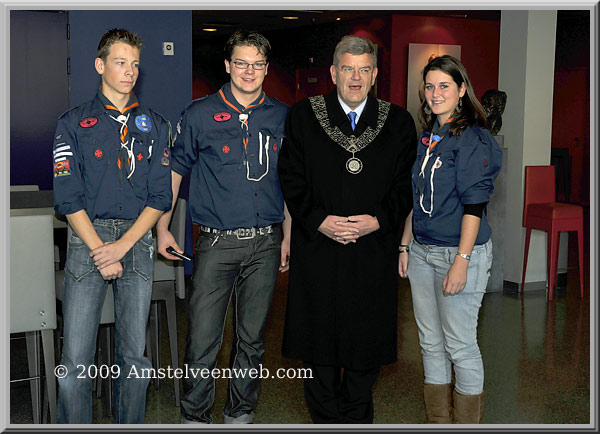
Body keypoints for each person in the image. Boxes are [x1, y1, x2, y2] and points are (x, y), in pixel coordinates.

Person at [277, 35, 417, 424]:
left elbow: (406, 185)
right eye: (348, 69)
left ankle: (357, 419)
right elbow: (289, 177)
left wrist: (377, 220)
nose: (355, 77)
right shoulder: (304, 115)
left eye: (364, 70)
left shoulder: (399, 122)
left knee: (365, 345)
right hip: (317, 248)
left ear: (374, 75)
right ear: (333, 72)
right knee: (318, 345)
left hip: (372, 252)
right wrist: (320, 220)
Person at [156, 29, 290, 424]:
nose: (249, 71)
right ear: (228, 65)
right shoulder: (199, 114)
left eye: (258, 64)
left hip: (266, 242)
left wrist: (288, 237)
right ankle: (195, 417)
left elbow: (290, 182)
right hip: (217, 244)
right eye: (242, 63)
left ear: (266, 69)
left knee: (252, 341)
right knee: (202, 339)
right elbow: (175, 173)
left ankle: (240, 415)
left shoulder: (283, 115)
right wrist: (163, 228)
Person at [53, 28, 172, 423]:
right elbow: (68, 199)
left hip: (136, 242)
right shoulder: (72, 124)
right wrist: (101, 251)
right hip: (88, 240)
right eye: (120, 62)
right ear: (100, 65)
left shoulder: (155, 125)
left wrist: (122, 247)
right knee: (75, 362)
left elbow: (160, 198)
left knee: (134, 357)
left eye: (135, 64)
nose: (129, 71)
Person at [398, 55, 503, 424]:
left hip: (459, 253)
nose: (436, 93)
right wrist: (406, 243)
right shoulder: (429, 136)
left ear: (461, 90)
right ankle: (439, 422)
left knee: (460, 346)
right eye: (429, 86)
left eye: (444, 85)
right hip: (423, 252)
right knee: (430, 343)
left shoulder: (473, 138)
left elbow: (474, 207)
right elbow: (418, 197)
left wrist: (462, 261)